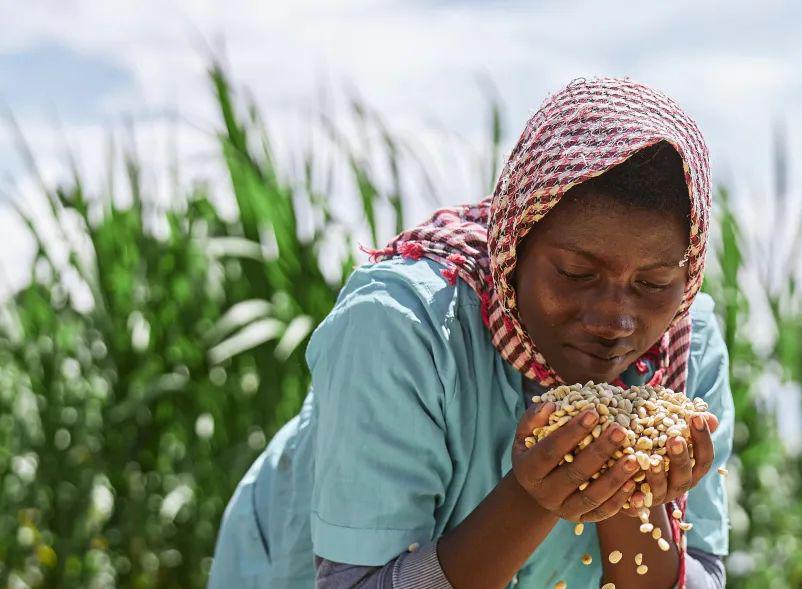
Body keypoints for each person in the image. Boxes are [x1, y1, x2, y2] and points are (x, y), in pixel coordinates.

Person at [208, 77, 734, 589]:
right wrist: (533, 498)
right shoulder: (401, 325)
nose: (613, 320)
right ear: (513, 245)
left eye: (653, 284)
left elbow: (698, 572)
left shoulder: (689, 346)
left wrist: (632, 491)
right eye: (576, 274)